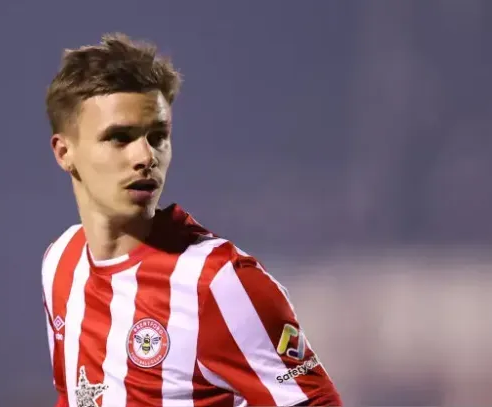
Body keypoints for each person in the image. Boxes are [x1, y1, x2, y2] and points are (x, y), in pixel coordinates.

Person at [41, 33, 341, 407]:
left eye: (157, 136)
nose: (145, 156)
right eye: (119, 138)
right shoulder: (61, 262)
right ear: (64, 152)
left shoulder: (220, 282)